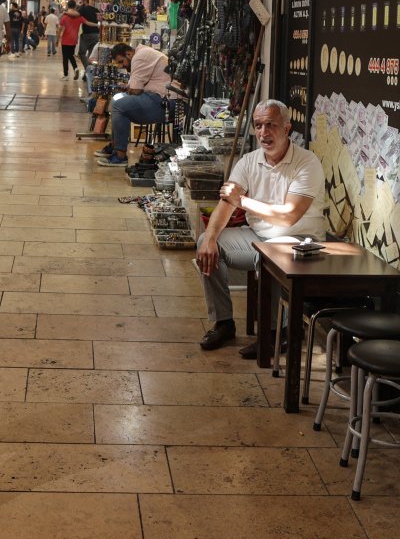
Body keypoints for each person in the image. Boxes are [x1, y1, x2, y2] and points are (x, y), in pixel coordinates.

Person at [194, 99, 329, 356]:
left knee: (266, 256)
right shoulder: (248, 161)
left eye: (271, 125)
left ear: (287, 128)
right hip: (258, 235)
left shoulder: (307, 163)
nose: (264, 133)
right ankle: (223, 322)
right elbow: (225, 207)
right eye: (258, 125)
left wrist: (242, 201)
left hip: (299, 242)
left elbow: (289, 216)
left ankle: (276, 334)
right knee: (205, 245)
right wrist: (211, 238)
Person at [95, 42, 170, 167]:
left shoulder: (140, 57)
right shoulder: (140, 54)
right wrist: (130, 88)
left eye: (121, 61)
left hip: (164, 101)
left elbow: (135, 90)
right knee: (115, 100)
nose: (122, 66)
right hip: (155, 96)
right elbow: (133, 87)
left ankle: (120, 155)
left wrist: (131, 89)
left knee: (120, 105)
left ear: (129, 54)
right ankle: (114, 144)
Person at [58, 1, 85, 80]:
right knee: (70, 55)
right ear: (74, 6)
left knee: (65, 58)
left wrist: (57, 39)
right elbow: (87, 22)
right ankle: (76, 68)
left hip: (65, 39)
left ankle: (66, 75)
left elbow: (60, 28)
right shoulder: (79, 16)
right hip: (74, 40)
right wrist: (96, 24)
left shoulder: (65, 16)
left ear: (67, 6)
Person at [77, 0, 101, 64]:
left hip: (86, 34)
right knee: (91, 54)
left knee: (81, 53)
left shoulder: (82, 8)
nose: (80, 4)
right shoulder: (95, 9)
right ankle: (90, 70)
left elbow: (76, 16)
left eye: (80, 2)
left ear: (85, 1)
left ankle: (87, 68)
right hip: (96, 34)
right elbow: (100, 19)